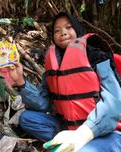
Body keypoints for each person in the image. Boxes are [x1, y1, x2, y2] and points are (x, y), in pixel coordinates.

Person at [9, 12, 121, 151]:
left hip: (106, 130)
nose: (63, 33)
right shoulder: (53, 64)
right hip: (70, 127)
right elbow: (43, 104)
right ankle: (68, 142)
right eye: (57, 30)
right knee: (27, 118)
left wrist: (85, 133)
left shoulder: (97, 56)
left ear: (78, 30)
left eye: (69, 27)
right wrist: (20, 81)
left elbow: (114, 104)